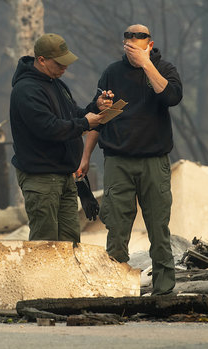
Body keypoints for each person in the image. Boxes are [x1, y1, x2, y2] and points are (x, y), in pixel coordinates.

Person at [79, 24, 183, 296]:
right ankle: (116, 287)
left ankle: (163, 288)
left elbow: (172, 97)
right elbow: (97, 117)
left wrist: (147, 65)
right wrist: (86, 155)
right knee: (116, 225)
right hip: (118, 160)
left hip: (153, 160)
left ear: (149, 44)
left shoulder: (164, 69)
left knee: (158, 226)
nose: (132, 51)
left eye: (138, 46)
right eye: (128, 46)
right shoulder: (113, 72)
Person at [9, 33, 105, 243]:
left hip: (65, 175)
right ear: (41, 60)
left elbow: (73, 114)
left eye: (66, 62)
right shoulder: (26, 90)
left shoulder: (56, 84)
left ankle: (68, 277)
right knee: (45, 244)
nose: (65, 68)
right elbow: (48, 128)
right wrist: (85, 123)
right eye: (59, 63)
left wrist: (95, 108)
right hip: (41, 177)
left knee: (70, 242)